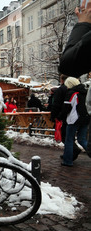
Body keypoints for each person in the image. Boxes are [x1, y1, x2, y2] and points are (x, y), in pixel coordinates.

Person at [59, 0, 91, 158]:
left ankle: (68, 159)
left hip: (73, 119)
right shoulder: (81, 90)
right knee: (80, 139)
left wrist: (83, 23)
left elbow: (67, 63)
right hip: (83, 119)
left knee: (70, 138)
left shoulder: (68, 91)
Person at [59, 77, 90, 167]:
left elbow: (66, 108)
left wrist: (60, 117)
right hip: (85, 118)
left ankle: (67, 161)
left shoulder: (72, 93)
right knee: (82, 139)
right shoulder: (85, 92)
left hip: (74, 119)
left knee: (69, 140)